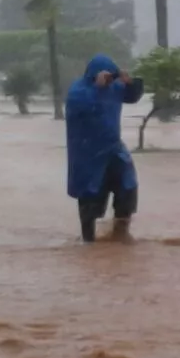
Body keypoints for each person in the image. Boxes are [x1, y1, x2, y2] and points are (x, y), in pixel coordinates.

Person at [65, 54, 144, 243]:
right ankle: (88, 241)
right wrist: (96, 88)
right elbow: (77, 108)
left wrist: (130, 82)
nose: (110, 81)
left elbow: (133, 97)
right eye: (106, 76)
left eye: (112, 76)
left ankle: (120, 235)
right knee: (89, 195)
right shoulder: (79, 90)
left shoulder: (115, 88)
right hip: (87, 153)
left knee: (127, 186)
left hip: (114, 149)